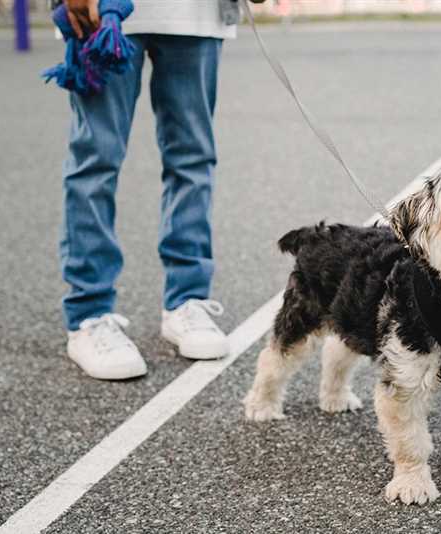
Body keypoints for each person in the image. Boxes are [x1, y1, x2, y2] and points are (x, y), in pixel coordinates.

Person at [59, 0, 254, 379]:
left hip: (194, 14)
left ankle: (187, 299)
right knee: (95, 161)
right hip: (102, 12)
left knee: (193, 158)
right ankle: (89, 314)